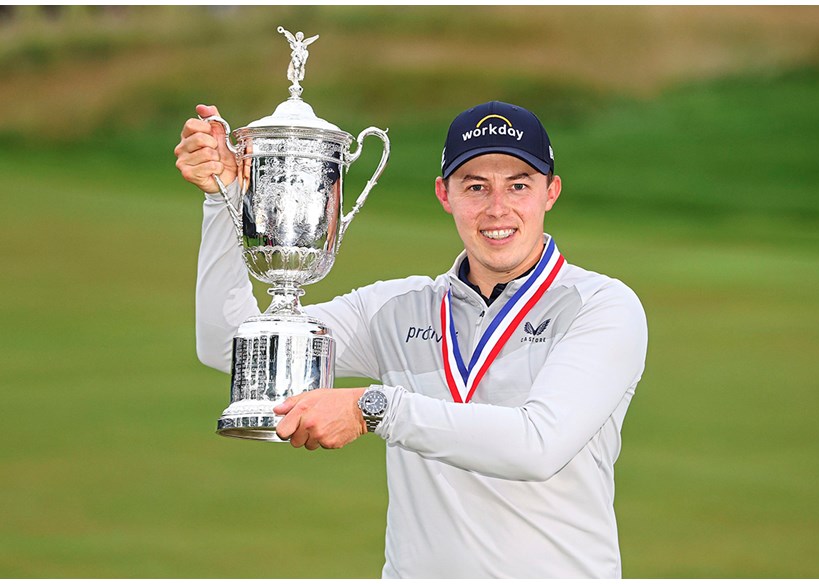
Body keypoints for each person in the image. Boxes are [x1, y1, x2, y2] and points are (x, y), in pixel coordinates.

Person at [174, 100, 648, 578]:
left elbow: (538, 444)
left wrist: (374, 409)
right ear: (445, 194)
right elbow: (227, 346)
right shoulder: (396, 309)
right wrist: (225, 199)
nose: (497, 209)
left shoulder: (601, 305)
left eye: (519, 186)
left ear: (551, 192)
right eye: (475, 187)